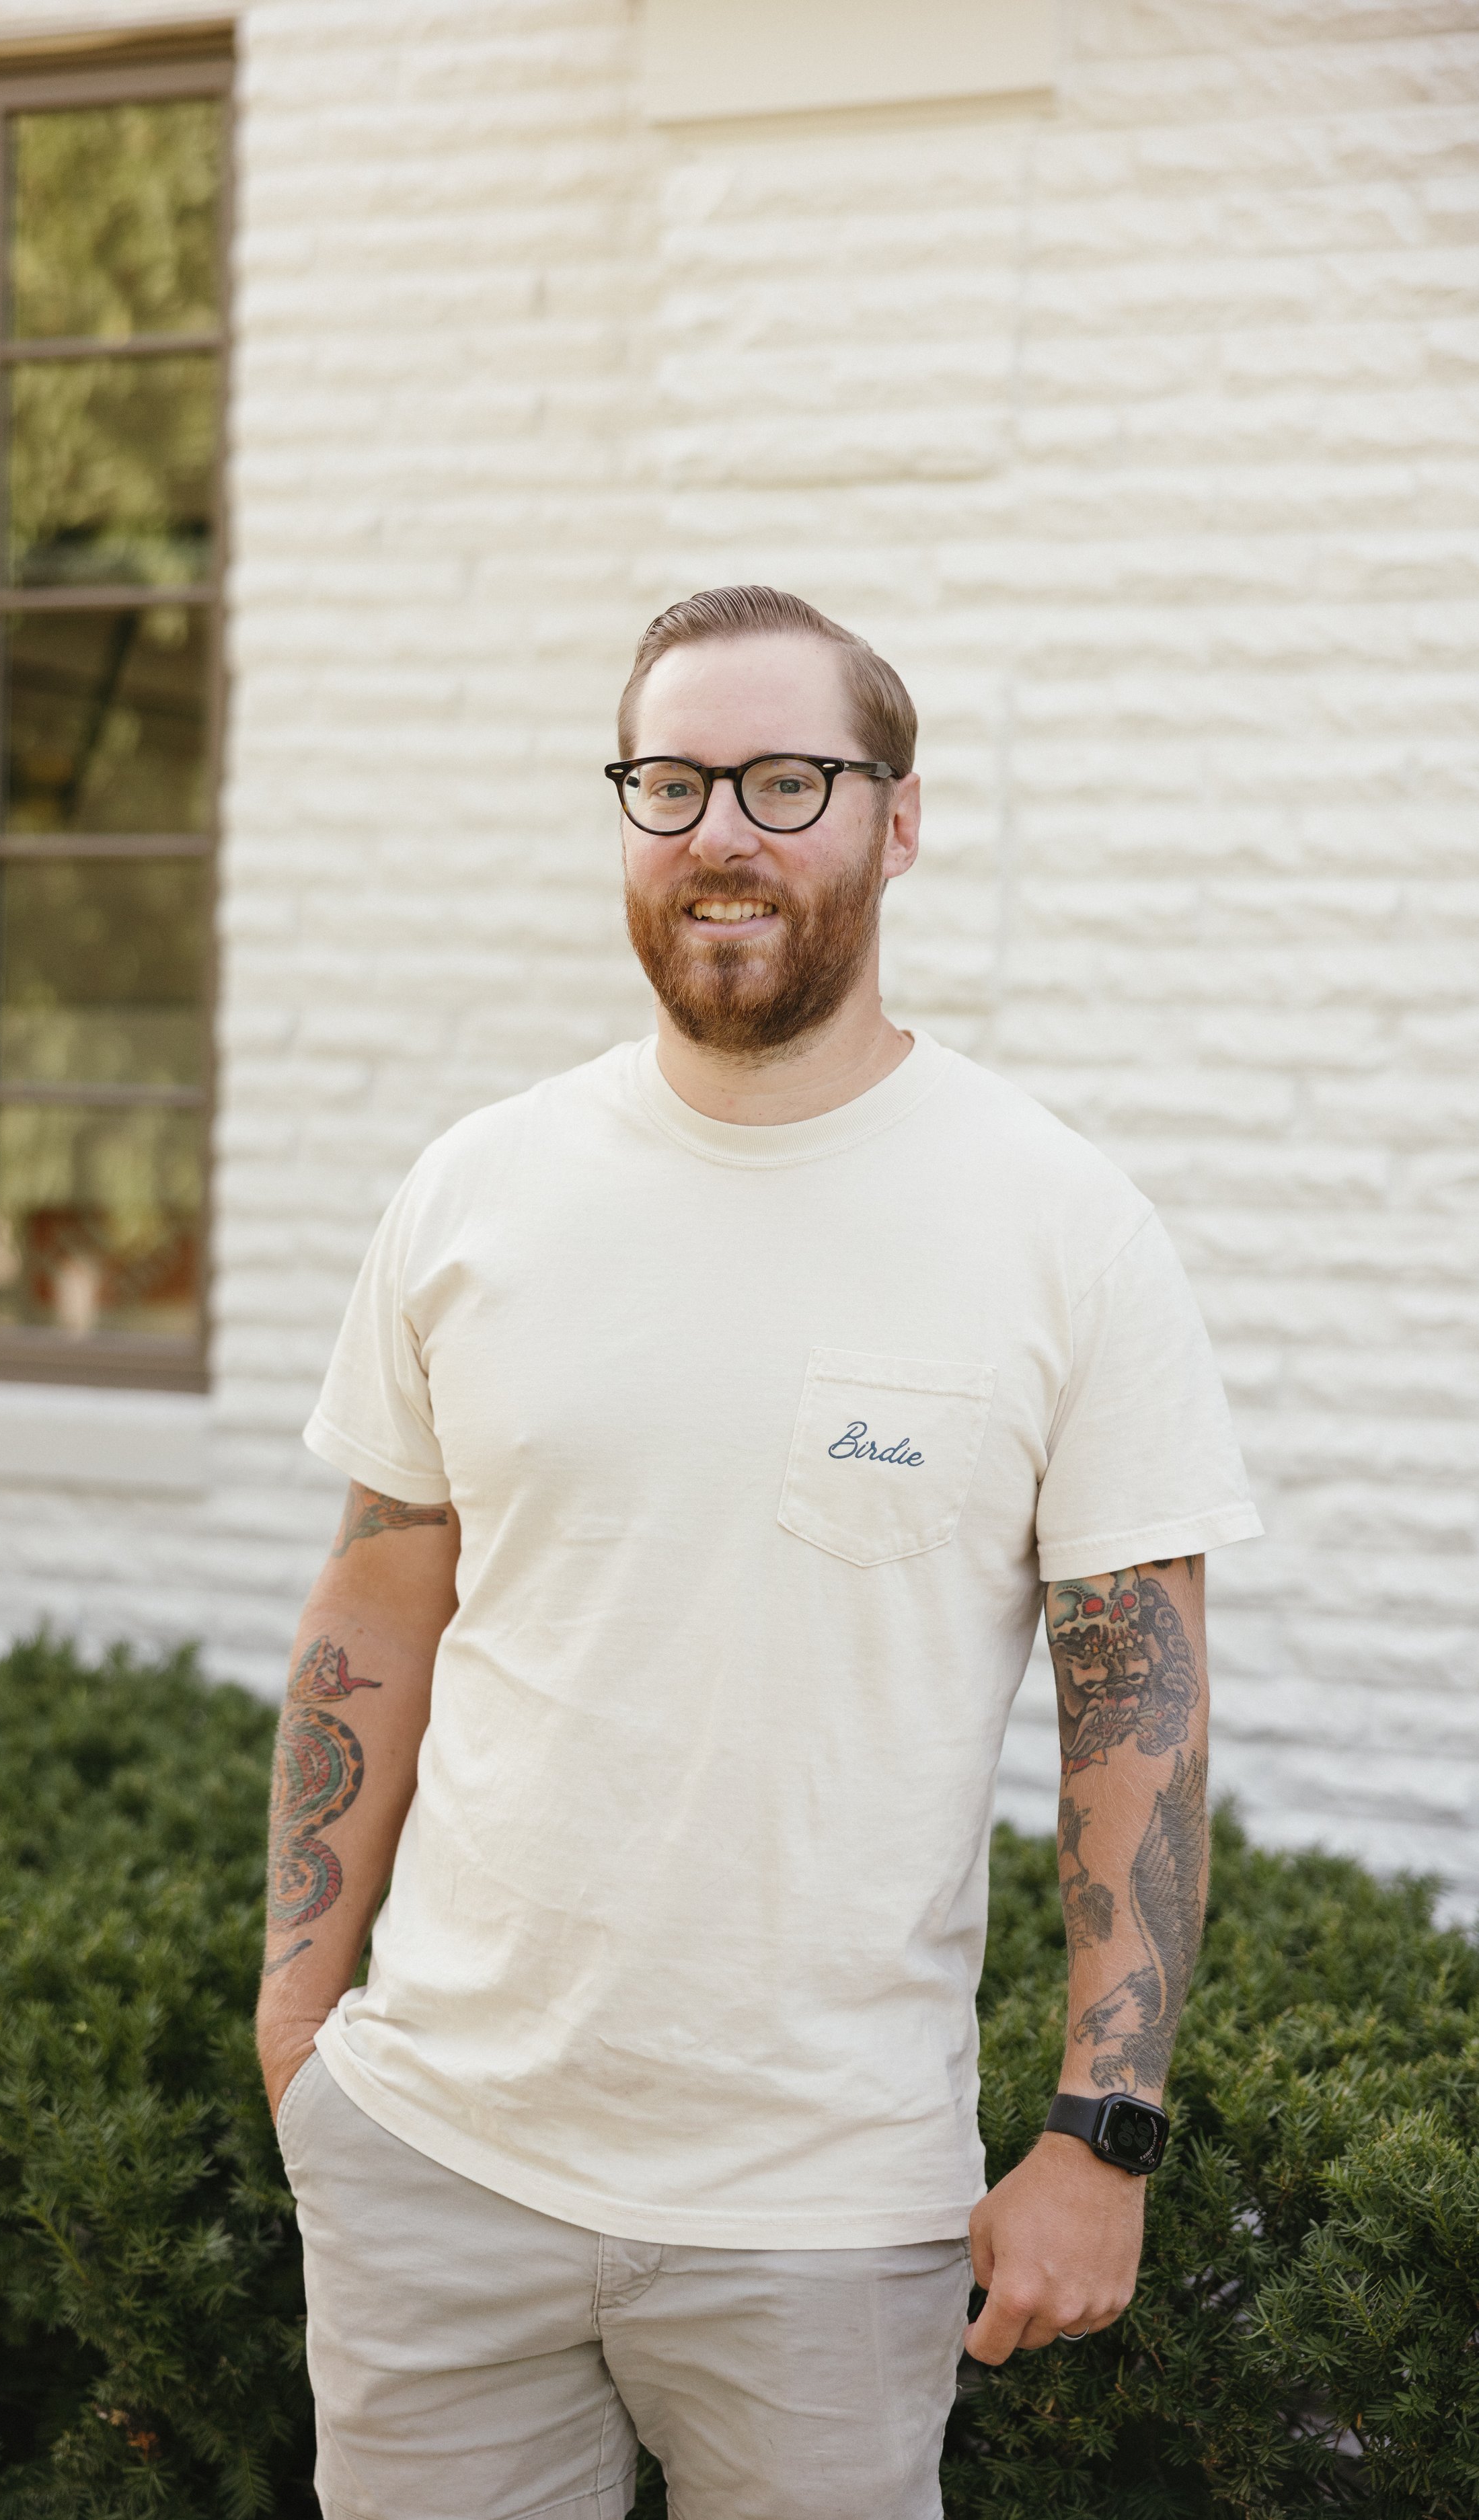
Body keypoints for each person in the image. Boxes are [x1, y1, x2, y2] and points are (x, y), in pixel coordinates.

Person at [257, 584, 1261, 2520]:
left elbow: (1136, 1696)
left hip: (821, 2217)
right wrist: (300, 2028)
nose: (721, 828)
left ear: (896, 820)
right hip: (434, 2166)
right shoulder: (478, 1189)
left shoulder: (1059, 1224)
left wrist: (1100, 2135)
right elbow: (379, 1592)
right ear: (623, 816)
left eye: (786, 778)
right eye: (670, 779)